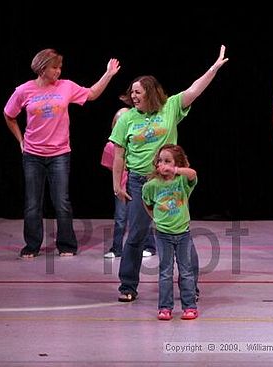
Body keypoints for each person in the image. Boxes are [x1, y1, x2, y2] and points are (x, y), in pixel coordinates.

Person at [110, 45, 228, 302]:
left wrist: (214, 68)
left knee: (181, 233)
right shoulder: (127, 118)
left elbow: (195, 89)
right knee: (137, 236)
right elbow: (119, 153)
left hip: (171, 182)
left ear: (150, 92)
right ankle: (127, 285)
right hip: (141, 182)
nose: (134, 96)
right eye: (132, 92)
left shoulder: (170, 107)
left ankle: (191, 288)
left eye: (138, 92)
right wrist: (117, 184)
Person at [4, 48, 120, 258]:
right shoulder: (24, 90)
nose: (59, 71)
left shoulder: (66, 86)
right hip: (33, 155)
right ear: (42, 69)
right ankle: (32, 246)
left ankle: (66, 245)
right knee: (32, 204)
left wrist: (108, 74)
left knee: (62, 202)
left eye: (60, 67)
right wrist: (20, 141)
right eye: (54, 67)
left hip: (59, 154)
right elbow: (9, 114)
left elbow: (91, 94)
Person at [142, 144, 198, 320]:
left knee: (186, 270)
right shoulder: (152, 185)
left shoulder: (181, 181)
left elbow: (193, 174)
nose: (162, 164)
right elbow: (147, 203)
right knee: (165, 272)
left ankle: (189, 306)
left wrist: (176, 170)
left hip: (183, 233)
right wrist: (156, 219)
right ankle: (165, 307)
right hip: (163, 235)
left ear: (177, 163)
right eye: (160, 161)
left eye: (167, 161)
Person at [101, 106, 156, 258]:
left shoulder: (139, 143)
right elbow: (111, 167)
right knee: (120, 218)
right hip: (121, 187)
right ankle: (116, 248)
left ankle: (150, 246)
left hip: (137, 186)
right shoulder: (111, 147)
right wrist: (117, 184)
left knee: (142, 217)